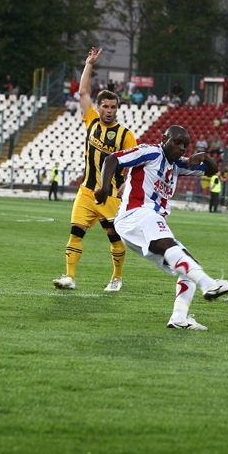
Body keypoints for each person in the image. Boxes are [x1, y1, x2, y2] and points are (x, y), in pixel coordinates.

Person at [95, 125, 228, 330]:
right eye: (177, 142)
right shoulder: (151, 152)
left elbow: (212, 170)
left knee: (189, 266)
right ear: (164, 138)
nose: (181, 148)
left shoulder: (178, 165)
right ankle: (210, 285)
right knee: (171, 246)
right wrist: (104, 187)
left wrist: (203, 156)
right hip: (137, 213)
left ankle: (179, 318)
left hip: (143, 222)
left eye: (185, 145)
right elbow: (113, 159)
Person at [52, 48, 137, 292]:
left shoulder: (125, 134)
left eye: (114, 107)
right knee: (75, 232)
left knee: (113, 237)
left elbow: (135, 163)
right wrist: (89, 64)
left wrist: (125, 183)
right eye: (106, 106)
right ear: (98, 107)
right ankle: (69, 277)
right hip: (86, 191)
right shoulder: (90, 120)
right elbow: (83, 91)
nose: (110, 110)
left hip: (109, 195)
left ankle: (117, 277)